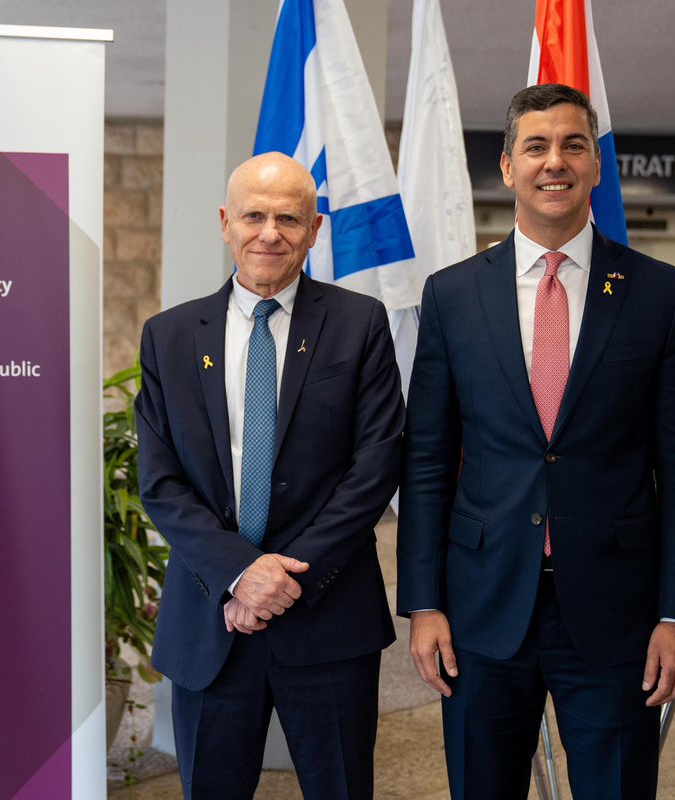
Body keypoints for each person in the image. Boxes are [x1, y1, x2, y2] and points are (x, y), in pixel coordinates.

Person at [397, 84, 675, 799]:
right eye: (536, 146)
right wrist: (423, 603)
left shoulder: (659, 294)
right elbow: (425, 461)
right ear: (508, 167)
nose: (555, 161)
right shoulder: (451, 296)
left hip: (617, 614)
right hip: (480, 609)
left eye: (574, 145)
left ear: (596, 166)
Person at [135, 152, 403, 799]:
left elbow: (376, 464)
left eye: (289, 218)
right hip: (211, 620)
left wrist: (281, 579)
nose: (269, 233)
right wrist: (241, 572)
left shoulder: (360, 326)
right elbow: (161, 480)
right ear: (226, 223)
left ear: (314, 230)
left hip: (329, 616)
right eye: (254, 215)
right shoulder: (168, 337)